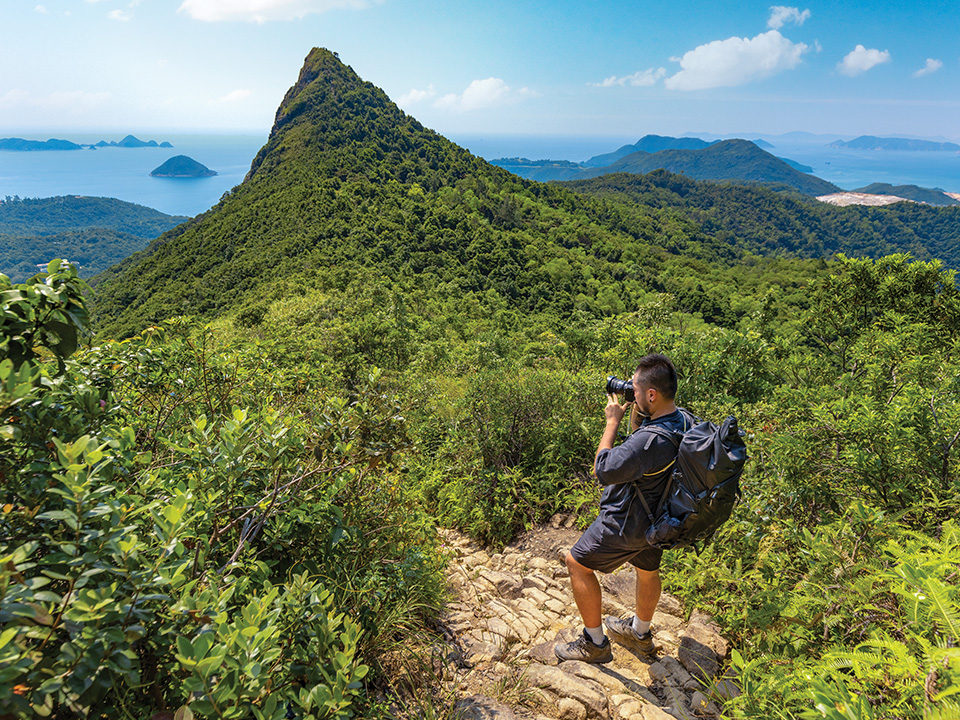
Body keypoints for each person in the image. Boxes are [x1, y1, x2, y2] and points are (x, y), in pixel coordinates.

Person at [555, 353, 690, 664]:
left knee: (576, 563)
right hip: (658, 520)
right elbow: (643, 441)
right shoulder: (681, 419)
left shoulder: (648, 443)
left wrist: (612, 421)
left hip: (626, 522)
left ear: (652, 394)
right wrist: (637, 409)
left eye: (636, 389)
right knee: (647, 570)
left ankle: (595, 644)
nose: (632, 392)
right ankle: (640, 634)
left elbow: (604, 468)